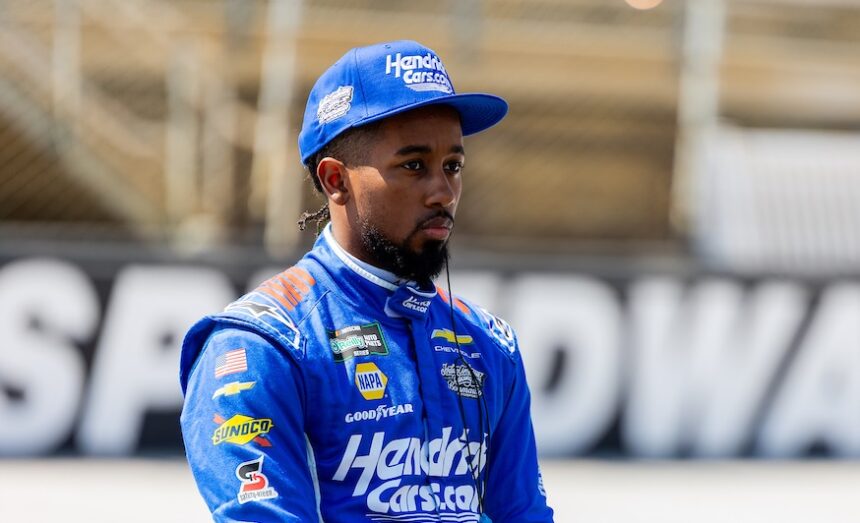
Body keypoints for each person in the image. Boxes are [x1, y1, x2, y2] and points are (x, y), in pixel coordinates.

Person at [180, 40, 554, 523]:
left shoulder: (489, 344)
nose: (443, 192)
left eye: (453, 166)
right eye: (414, 165)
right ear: (336, 180)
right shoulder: (261, 346)